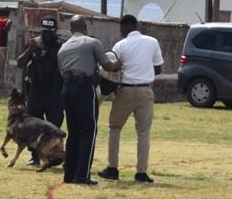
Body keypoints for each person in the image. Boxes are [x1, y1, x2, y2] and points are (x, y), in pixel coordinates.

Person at [99, 15, 164, 184]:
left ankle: (112, 168)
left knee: (114, 128)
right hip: (145, 91)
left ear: (123, 27)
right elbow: (158, 68)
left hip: (126, 90)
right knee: (143, 132)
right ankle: (141, 172)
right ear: (137, 25)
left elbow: (113, 68)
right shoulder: (152, 41)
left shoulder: (120, 45)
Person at [57, 15, 121, 185]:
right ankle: (82, 175)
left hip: (67, 89)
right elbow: (107, 66)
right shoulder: (92, 42)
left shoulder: (63, 47)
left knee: (73, 133)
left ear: (71, 29)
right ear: (85, 27)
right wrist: (118, 64)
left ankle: (69, 175)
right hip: (84, 88)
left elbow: (61, 71)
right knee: (88, 131)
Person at [16, 15, 66, 166]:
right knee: (34, 126)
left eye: (50, 32)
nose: (47, 34)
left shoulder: (62, 45)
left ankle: (53, 154)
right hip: (36, 90)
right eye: (45, 31)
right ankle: (35, 156)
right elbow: (20, 63)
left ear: (55, 31)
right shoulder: (34, 43)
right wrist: (30, 51)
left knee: (54, 124)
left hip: (55, 91)